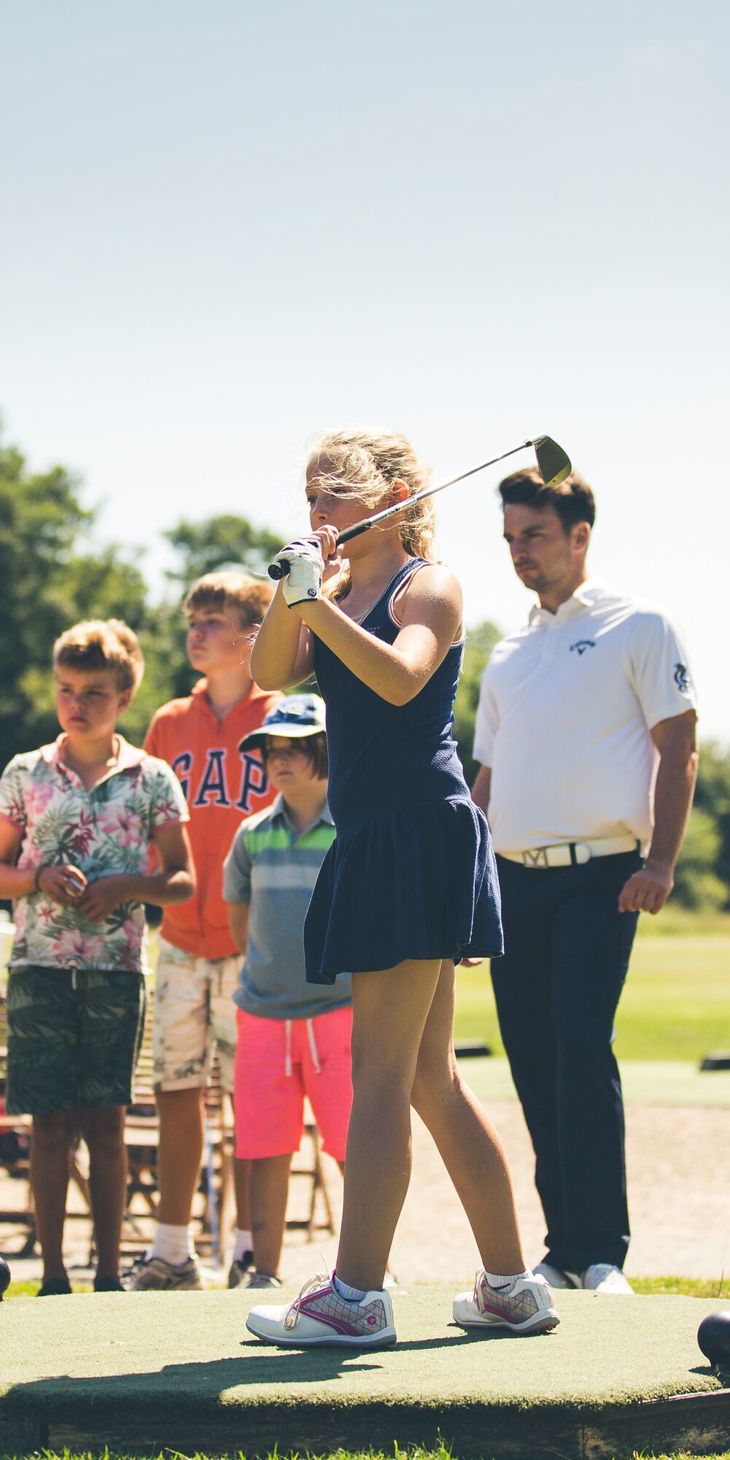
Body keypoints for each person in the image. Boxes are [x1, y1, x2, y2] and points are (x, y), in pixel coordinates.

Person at [244, 428, 560, 1348]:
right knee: (428, 1077)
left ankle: (355, 1298)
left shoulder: (430, 585)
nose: (317, 510)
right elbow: (269, 672)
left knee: (377, 1078)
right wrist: (296, 594)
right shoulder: (335, 589)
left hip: (418, 831)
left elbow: (400, 677)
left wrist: (317, 602)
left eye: (333, 492)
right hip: (381, 835)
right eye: (310, 494)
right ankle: (512, 1287)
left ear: (391, 495)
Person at [471, 466, 698, 1294]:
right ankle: (563, 1250)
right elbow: (484, 784)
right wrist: (469, 898)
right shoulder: (508, 652)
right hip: (513, 884)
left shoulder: (640, 625)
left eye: (533, 534)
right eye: (510, 538)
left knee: (578, 1045)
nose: (519, 551)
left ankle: (603, 1252)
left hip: (602, 877)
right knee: (532, 1059)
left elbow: (680, 745)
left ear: (579, 535)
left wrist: (660, 861)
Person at [0, 619, 194, 1295]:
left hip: (117, 969)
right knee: (49, 1126)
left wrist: (126, 886)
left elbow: (183, 879)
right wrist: (38, 877)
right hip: (38, 968)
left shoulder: (152, 777)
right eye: (65, 689)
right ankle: (54, 1277)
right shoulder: (25, 772)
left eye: (93, 692)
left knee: (108, 1125)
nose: (76, 703)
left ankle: (108, 1278)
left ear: (124, 696)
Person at [129, 571, 281, 1292]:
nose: (196, 632)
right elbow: (147, 829)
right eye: (192, 620)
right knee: (176, 1089)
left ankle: (250, 1249)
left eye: (213, 620)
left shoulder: (284, 717)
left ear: (253, 633)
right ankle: (172, 1250)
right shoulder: (168, 722)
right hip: (181, 942)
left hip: (255, 941)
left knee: (254, 1099)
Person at [223, 692, 352, 1289]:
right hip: (262, 1018)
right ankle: (265, 1272)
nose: (279, 759)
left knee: (355, 1148)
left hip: (340, 1014)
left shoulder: (352, 831)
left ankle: (367, 1270)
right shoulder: (251, 835)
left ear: (328, 750)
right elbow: (239, 923)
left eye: (296, 748)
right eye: (271, 748)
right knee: (264, 1150)